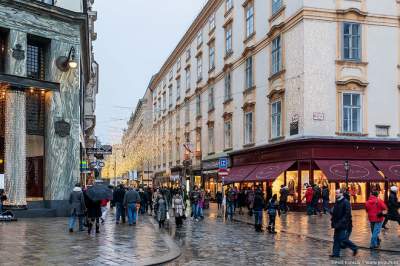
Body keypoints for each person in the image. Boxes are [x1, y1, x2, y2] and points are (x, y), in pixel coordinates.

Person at [330, 189, 358, 257]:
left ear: (341, 194)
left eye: (337, 193)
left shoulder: (346, 202)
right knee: (336, 238)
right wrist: (332, 212)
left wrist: (342, 222)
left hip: (343, 224)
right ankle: (335, 254)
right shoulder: (337, 202)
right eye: (335, 193)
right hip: (336, 223)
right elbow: (335, 212)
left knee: (343, 239)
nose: (336, 194)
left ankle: (354, 248)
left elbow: (347, 214)